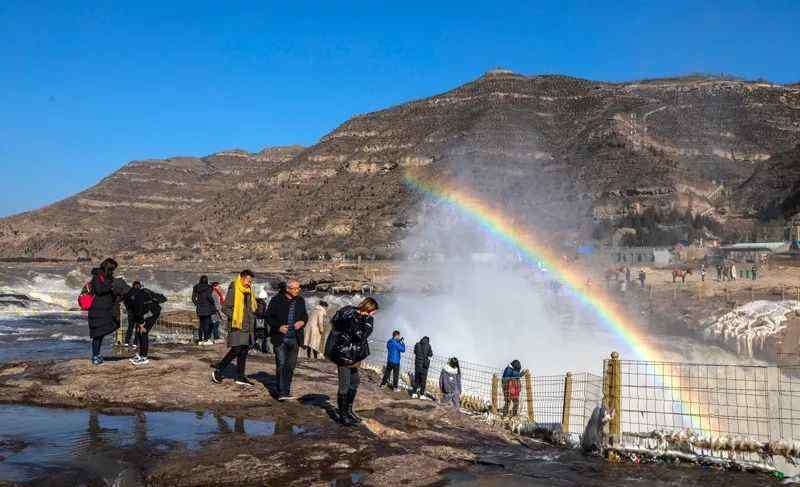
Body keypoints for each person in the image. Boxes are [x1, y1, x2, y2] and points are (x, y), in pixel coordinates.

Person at [327, 297, 379, 426]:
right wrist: (368, 319)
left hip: (353, 355)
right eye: (374, 311)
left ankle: (348, 410)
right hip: (345, 354)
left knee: (355, 382)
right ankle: (342, 415)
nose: (374, 314)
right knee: (344, 385)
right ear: (369, 308)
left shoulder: (349, 312)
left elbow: (334, 321)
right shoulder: (356, 317)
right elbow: (361, 335)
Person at [211, 270, 258, 387]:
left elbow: (250, 308)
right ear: (241, 278)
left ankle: (240, 377)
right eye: (248, 280)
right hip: (237, 325)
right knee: (236, 350)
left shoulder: (249, 291)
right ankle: (218, 370)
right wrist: (237, 318)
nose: (249, 283)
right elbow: (225, 308)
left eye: (251, 281)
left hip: (249, 326)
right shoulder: (234, 289)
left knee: (244, 351)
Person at [265, 279, 308, 400]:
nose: (298, 290)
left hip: (295, 338)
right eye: (295, 288)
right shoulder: (276, 300)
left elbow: (305, 315)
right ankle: (281, 392)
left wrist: (302, 322)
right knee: (281, 364)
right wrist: (278, 327)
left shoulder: (300, 300)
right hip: (280, 338)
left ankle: (286, 390)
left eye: (298, 288)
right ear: (288, 289)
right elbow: (268, 317)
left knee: (291, 366)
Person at [86, 258, 125, 365]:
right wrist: (111, 286)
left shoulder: (106, 277)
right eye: (113, 269)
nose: (114, 271)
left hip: (105, 310)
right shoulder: (98, 277)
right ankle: (95, 356)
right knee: (97, 335)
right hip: (97, 310)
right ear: (109, 268)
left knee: (101, 333)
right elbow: (99, 290)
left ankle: (97, 354)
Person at [127, 284, 167, 365]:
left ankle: (144, 358)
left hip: (151, 313)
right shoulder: (133, 296)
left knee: (143, 333)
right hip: (147, 311)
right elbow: (136, 313)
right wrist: (140, 324)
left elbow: (138, 312)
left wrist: (141, 324)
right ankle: (141, 355)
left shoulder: (136, 298)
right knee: (139, 332)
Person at [192, 276, 217, 345]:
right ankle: (206, 339)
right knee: (207, 324)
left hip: (200, 308)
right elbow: (209, 297)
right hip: (207, 308)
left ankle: (200, 340)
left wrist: (197, 304)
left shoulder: (196, 287)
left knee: (201, 324)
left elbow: (193, 298)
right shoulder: (209, 287)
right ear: (206, 280)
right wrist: (213, 302)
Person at [122, 281, 143, 347]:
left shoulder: (129, 292)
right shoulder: (140, 292)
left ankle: (126, 342)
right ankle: (135, 343)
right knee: (137, 328)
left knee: (130, 328)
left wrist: (128, 309)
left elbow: (124, 301)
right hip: (138, 313)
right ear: (138, 285)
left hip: (130, 313)